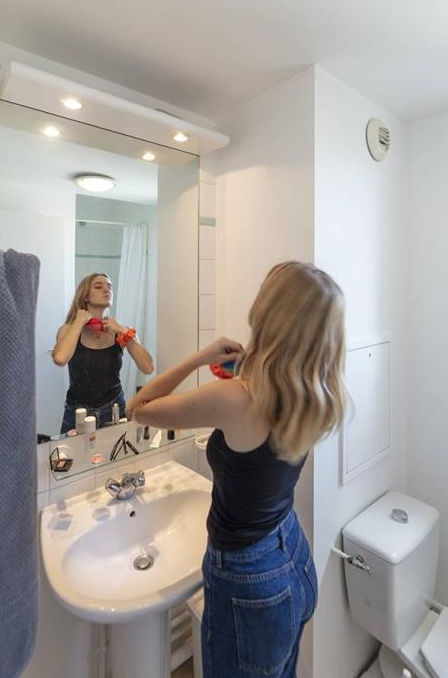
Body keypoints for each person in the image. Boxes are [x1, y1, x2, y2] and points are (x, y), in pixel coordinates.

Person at [126, 262, 346, 678]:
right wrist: (247, 368)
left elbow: (138, 408)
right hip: (295, 558)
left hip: (249, 580)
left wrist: (202, 357)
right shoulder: (317, 391)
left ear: (268, 313)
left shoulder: (236, 399)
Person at [53, 272, 154, 433]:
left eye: (109, 287)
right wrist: (79, 322)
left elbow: (148, 367)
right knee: (71, 450)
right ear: (85, 296)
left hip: (115, 409)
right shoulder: (68, 330)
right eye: (98, 286)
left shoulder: (123, 332)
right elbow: (60, 358)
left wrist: (123, 331)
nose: (107, 290)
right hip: (77, 412)